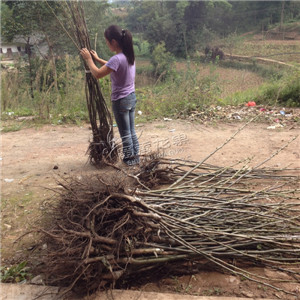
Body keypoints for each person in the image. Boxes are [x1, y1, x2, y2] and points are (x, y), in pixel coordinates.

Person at [80, 25, 139, 166]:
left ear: (113, 42)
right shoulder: (128, 55)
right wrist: (99, 59)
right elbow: (113, 66)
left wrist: (89, 59)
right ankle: (135, 158)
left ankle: (129, 161)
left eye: (107, 41)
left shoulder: (117, 59)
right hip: (131, 97)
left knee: (125, 132)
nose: (107, 44)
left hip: (120, 101)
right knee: (131, 130)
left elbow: (98, 74)